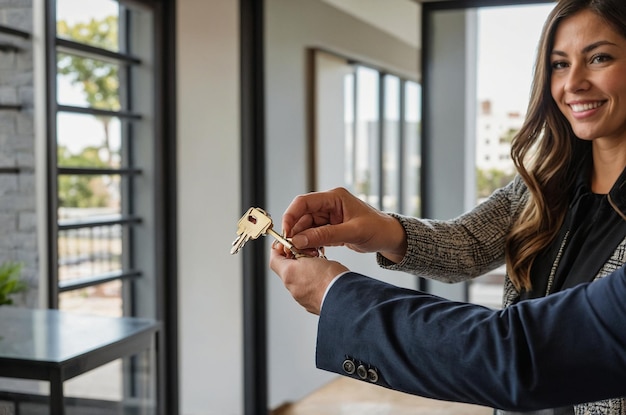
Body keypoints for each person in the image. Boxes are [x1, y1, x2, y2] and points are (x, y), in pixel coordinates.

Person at [270, 0, 626, 413]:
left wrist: (337, 295)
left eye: (599, 57)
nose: (574, 82)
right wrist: (380, 228)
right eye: (559, 64)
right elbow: (468, 244)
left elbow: (518, 354)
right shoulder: (544, 183)